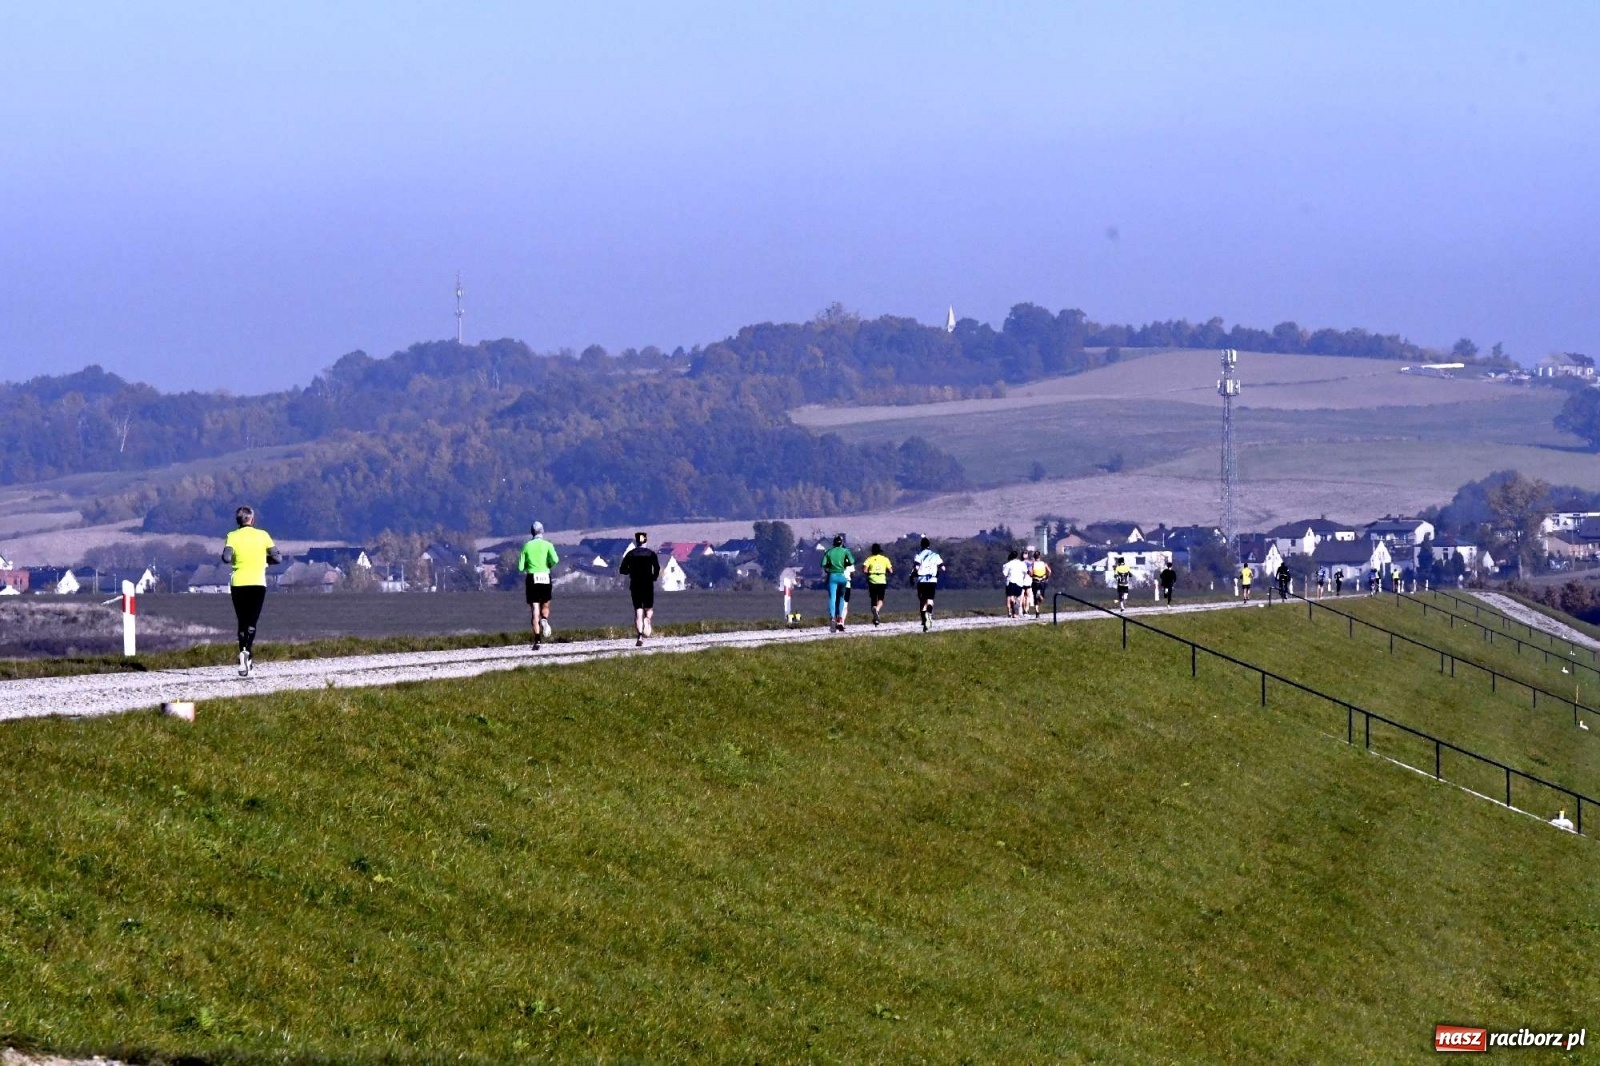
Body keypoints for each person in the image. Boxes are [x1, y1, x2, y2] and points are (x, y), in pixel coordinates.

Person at [221, 505, 281, 678]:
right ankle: (247, 653)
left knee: (242, 621)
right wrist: (264, 558)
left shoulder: (232, 536)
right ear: (252, 519)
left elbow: (226, 557)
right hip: (257, 583)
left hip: (238, 583)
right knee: (252, 622)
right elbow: (277, 558)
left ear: (237, 520)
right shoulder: (263, 535)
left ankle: (244, 653)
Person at [519, 521, 560, 649]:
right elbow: (555, 560)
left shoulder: (526, 546)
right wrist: (548, 565)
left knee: (534, 610)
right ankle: (544, 619)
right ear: (542, 531)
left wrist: (528, 567)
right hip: (545, 576)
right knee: (546, 604)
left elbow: (520, 567)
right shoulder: (548, 545)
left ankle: (537, 639)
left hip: (532, 577)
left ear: (532, 532)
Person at [618, 531, 661, 647]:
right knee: (649, 609)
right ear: (646, 540)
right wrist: (654, 577)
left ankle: (640, 636)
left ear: (636, 541)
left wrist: (631, 571)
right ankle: (647, 620)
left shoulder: (630, 554)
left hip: (635, 584)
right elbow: (657, 568)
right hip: (647, 583)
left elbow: (622, 570)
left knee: (638, 610)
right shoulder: (651, 554)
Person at [821, 534, 854, 631]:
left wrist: (828, 569)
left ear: (833, 543)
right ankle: (840, 617)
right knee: (841, 597)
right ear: (842, 543)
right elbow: (852, 561)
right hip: (842, 577)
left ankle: (832, 617)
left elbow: (823, 564)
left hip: (832, 576)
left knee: (832, 598)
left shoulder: (829, 552)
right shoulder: (845, 551)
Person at [913, 536, 944, 631]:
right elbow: (943, 568)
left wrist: (913, 574)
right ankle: (929, 614)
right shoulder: (935, 555)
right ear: (929, 545)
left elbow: (917, 567)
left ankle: (924, 619)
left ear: (921, 545)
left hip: (921, 581)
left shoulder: (918, 554)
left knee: (922, 601)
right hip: (932, 580)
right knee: (930, 600)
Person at [860, 543, 894, 625]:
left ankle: (875, 616)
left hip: (872, 580)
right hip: (882, 580)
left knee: (873, 599)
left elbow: (864, 570)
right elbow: (891, 571)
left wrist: (869, 572)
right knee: (881, 599)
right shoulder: (885, 559)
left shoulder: (869, 559)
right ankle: (877, 610)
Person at [1002, 550, 1028, 618]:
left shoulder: (1008, 564)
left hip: (1010, 581)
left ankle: (1010, 612)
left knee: (1009, 596)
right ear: (1017, 556)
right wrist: (1022, 579)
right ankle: (1016, 611)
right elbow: (1025, 573)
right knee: (1018, 597)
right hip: (1019, 582)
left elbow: (1004, 574)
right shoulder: (1022, 564)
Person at [1029, 550, 1052, 616]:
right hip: (1043, 581)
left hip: (1035, 581)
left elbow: (1030, 572)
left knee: (1035, 597)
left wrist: (1031, 575)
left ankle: (1037, 611)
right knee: (1042, 597)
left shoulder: (1033, 564)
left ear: (1034, 557)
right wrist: (1047, 577)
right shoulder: (1044, 563)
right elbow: (1049, 571)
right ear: (1040, 556)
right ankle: (1040, 596)